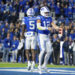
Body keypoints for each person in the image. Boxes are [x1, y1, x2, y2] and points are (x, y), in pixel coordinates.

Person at [37, 6, 60, 73]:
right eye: (45, 12)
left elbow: (53, 25)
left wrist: (57, 27)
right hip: (41, 36)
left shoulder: (49, 18)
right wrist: (47, 28)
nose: (47, 14)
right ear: (42, 12)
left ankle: (44, 65)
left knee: (50, 51)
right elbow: (38, 27)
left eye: (47, 12)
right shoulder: (39, 17)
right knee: (43, 50)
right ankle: (39, 66)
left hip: (47, 36)